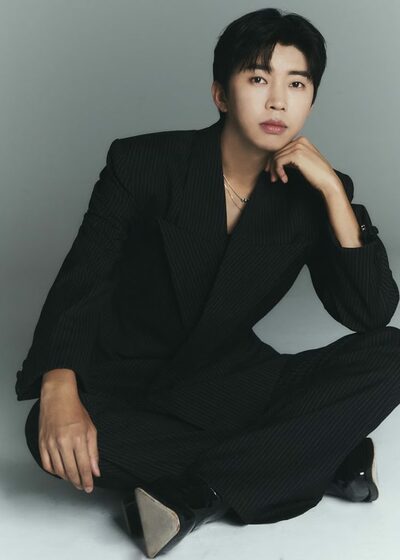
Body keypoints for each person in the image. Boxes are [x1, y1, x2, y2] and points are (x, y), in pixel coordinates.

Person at [19, 7, 400, 558]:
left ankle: (201, 495)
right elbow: (84, 278)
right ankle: (322, 452)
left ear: (311, 99)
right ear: (221, 94)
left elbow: (369, 314)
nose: (278, 101)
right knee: (45, 435)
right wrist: (58, 384)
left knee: (393, 352)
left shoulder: (314, 190)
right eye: (258, 79)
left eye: (296, 84)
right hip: (131, 385)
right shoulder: (143, 162)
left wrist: (336, 197)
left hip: (234, 380)